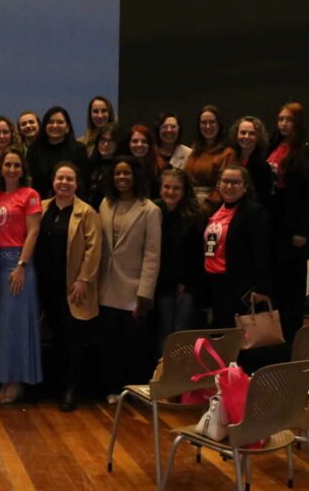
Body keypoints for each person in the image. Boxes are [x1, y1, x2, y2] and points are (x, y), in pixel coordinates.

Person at [35, 163, 100, 412]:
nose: (64, 183)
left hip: (73, 286)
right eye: (60, 178)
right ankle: (55, 385)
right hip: (45, 284)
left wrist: (83, 279)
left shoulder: (86, 212)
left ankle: (72, 389)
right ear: (53, 181)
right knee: (54, 336)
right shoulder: (42, 207)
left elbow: (93, 250)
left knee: (72, 339)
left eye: (69, 179)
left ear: (77, 183)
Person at [97, 157, 162, 397]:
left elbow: (152, 255)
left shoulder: (150, 210)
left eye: (126, 173)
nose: (122, 178)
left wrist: (145, 293)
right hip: (106, 284)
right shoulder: (105, 204)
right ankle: (112, 388)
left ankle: (132, 391)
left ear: (135, 176)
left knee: (132, 344)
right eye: (118, 173)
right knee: (109, 342)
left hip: (133, 288)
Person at [0, 147, 42, 404]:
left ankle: (17, 383)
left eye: (17, 165)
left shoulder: (30, 195)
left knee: (16, 325)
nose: (12, 169)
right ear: (1, 168)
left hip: (18, 266)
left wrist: (21, 266)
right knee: (1, 328)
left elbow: (33, 232)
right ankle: (4, 379)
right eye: (8, 165)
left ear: (23, 169)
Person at [267, 102, 309, 343]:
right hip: (273, 225)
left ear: (297, 123)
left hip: (294, 228)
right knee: (275, 286)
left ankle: (292, 338)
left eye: (288, 119)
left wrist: (302, 230)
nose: (283, 124)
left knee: (292, 288)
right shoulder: (271, 148)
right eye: (280, 119)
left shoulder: (307, 153)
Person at [203, 164, 273, 340]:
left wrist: (261, 287)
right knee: (216, 336)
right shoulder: (215, 210)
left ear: (245, 187)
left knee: (234, 339)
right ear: (218, 184)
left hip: (238, 286)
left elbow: (263, 252)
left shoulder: (254, 212)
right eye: (225, 181)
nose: (229, 186)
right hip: (213, 283)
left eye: (235, 182)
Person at [154, 167, 205, 351]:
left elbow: (196, 255)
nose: (171, 192)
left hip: (187, 283)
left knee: (180, 331)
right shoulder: (153, 211)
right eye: (167, 187)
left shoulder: (194, 215)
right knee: (163, 330)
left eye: (176, 188)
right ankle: (163, 367)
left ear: (184, 191)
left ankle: (180, 367)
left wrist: (184, 283)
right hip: (159, 282)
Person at [28, 106, 89, 201]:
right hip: (40, 203)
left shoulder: (79, 150)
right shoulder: (34, 150)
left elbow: (83, 183)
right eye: (51, 122)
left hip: (72, 203)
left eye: (60, 122)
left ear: (67, 127)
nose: (55, 125)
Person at [184, 104, 236, 207]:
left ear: (219, 124)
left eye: (212, 122)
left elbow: (223, 187)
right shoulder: (195, 149)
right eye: (203, 122)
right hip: (188, 198)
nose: (207, 126)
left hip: (209, 203)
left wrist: (206, 202)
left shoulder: (228, 153)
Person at [227, 115, 274, 214]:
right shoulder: (230, 159)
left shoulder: (263, 167)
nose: (246, 136)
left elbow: (263, 200)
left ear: (258, 138)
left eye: (252, 133)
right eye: (243, 132)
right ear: (236, 135)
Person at [85, 123, 121, 209]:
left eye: (111, 141)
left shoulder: (120, 167)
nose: (105, 144)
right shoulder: (90, 163)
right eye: (103, 140)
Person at [124, 123, 161, 194]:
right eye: (135, 141)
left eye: (144, 141)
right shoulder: (120, 167)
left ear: (150, 145)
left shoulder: (160, 168)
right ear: (128, 143)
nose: (139, 145)